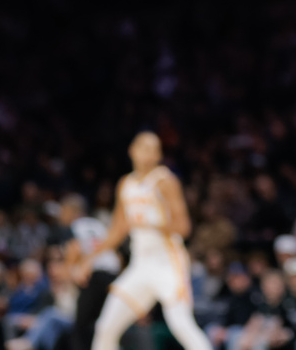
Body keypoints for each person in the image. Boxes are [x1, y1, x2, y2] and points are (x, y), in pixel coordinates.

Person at [87, 132, 212, 350]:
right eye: (145, 147)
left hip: (168, 263)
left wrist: (151, 223)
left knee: (181, 325)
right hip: (140, 265)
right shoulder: (125, 184)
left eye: (155, 149)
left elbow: (184, 227)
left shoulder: (164, 181)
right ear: (132, 150)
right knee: (105, 328)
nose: (150, 153)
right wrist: (88, 259)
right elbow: (117, 230)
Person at [55, 194, 121, 350]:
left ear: (72, 211)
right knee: (102, 326)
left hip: (92, 276)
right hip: (113, 276)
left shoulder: (73, 226)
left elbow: (75, 249)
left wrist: (67, 272)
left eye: (62, 211)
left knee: (80, 328)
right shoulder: (98, 225)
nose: (60, 215)